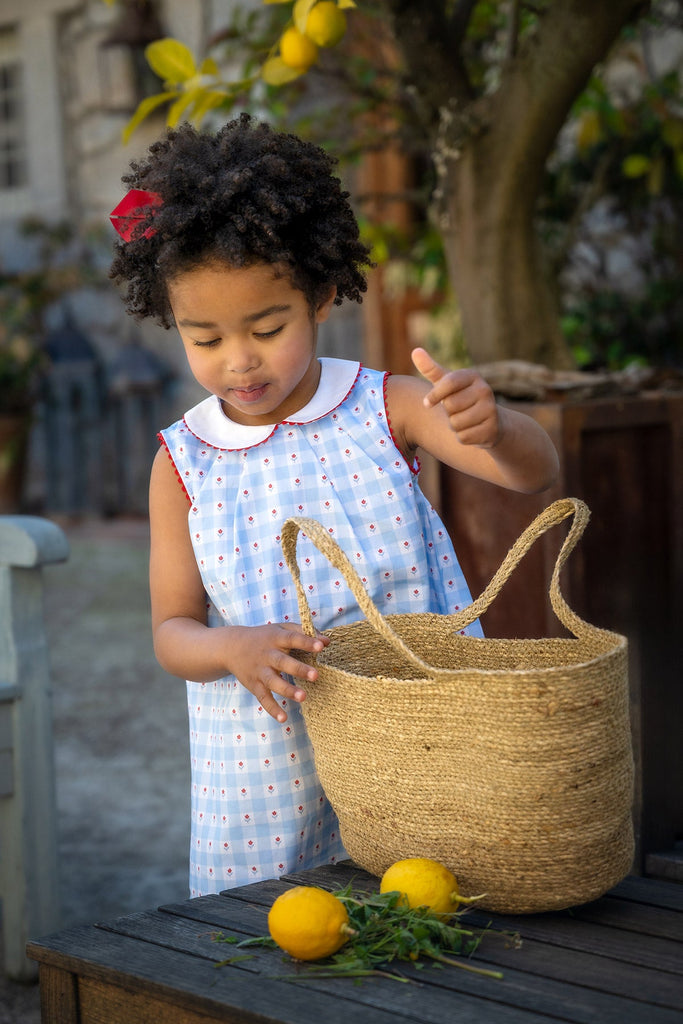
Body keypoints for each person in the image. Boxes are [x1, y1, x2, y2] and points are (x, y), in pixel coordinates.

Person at [109, 114, 559, 897]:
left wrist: (495, 427)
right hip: (261, 755)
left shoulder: (385, 406)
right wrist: (232, 649)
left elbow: (532, 473)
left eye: (267, 326)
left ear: (319, 294)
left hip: (411, 725)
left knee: (436, 900)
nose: (239, 360)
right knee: (278, 928)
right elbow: (172, 633)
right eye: (204, 338)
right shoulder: (182, 462)